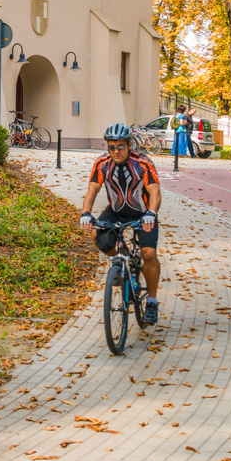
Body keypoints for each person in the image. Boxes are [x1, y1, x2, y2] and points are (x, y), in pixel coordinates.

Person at [80, 123, 163, 325]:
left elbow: (155, 192)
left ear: (129, 145)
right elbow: (92, 189)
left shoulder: (143, 163)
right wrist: (86, 213)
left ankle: (151, 301)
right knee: (96, 233)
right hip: (116, 212)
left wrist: (151, 213)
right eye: (111, 147)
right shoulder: (102, 164)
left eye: (120, 146)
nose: (115, 151)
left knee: (149, 254)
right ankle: (122, 257)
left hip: (143, 214)